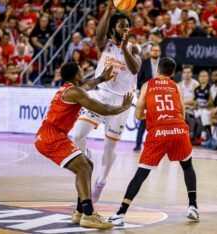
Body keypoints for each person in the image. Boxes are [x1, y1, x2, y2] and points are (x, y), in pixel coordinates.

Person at [34, 62, 133, 230]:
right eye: (81, 72)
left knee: (88, 165)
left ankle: (80, 211)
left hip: (49, 135)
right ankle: (88, 214)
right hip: (52, 136)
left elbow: (86, 85)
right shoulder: (75, 91)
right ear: (77, 75)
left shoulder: (69, 89)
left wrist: (101, 78)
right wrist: (122, 107)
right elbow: (101, 107)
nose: (83, 74)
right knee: (83, 169)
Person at [108, 57, 199, 226]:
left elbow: (138, 115)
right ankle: (193, 206)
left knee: (141, 174)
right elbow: (182, 113)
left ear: (157, 70)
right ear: (172, 73)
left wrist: (151, 116)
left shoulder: (147, 85)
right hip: (179, 129)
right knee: (187, 166)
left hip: (158, 132)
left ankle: (121, 213)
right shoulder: (176, 87)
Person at [72, 0, 142, 204]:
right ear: (114, 29)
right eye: (122, 26)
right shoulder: (105, 44)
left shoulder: (134, 48)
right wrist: (109, 11)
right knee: (77, 135)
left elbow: (135, 69)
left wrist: (125, 48)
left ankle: (101, 182)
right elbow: (98, 35)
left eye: (127, 26)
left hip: (122, 101)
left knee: (110, 147)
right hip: (101, 94)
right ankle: (86, 155)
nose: (126, 28)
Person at [134, 43, 161, 152]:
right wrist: (137, 90)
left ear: (160, 52)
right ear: (150, 52)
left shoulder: (163, 63)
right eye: (153, 50)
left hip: (159, 95)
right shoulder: (144, 63)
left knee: (158, 121)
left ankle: (156, 144)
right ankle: (138, 144)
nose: (155, 52)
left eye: (157, 50)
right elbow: (138, 78)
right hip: (147, 95)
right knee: (143, 120)